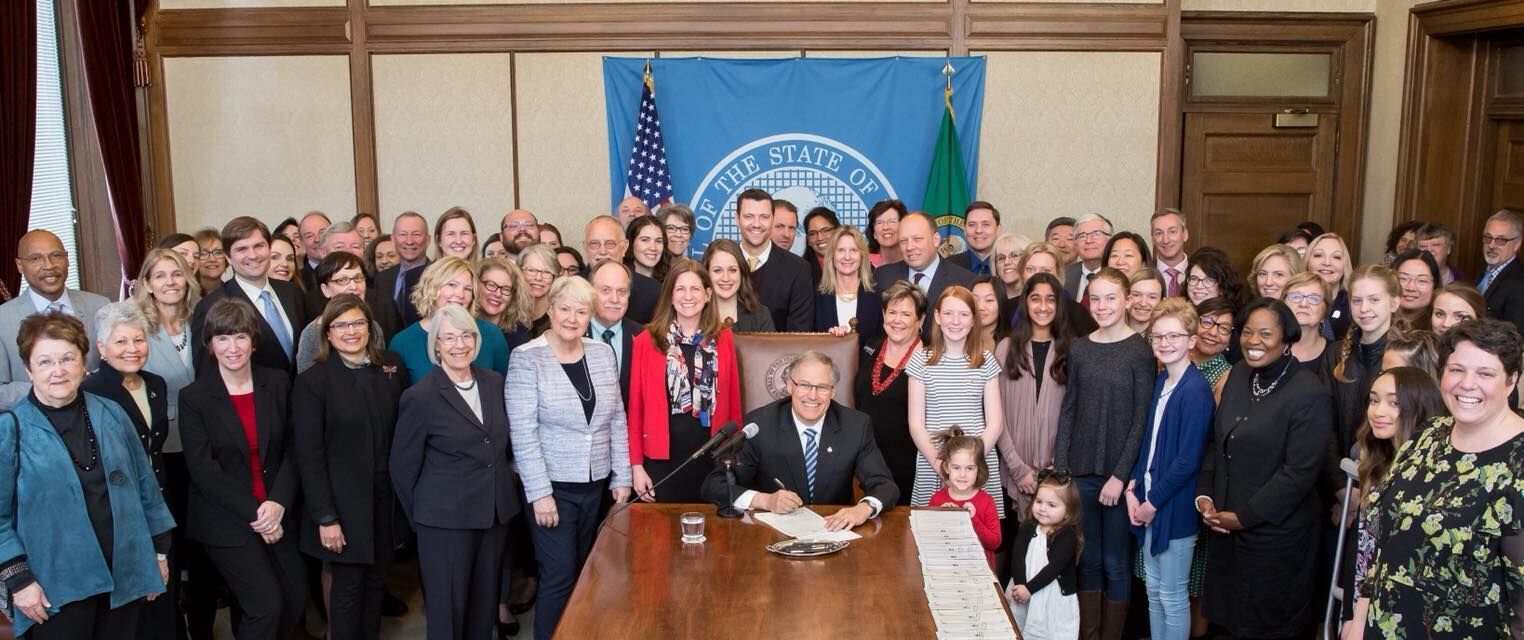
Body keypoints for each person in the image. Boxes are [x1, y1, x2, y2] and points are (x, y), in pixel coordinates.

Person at [0, 312, 174, 639]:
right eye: (45, 362)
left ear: (84, 363)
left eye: (68, 358)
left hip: (125, 574)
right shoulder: (10, 428)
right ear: (28, 369)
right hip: (54, 587)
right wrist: (19, 581)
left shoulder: (111, 412)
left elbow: (146, 488)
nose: (58, 371)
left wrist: (158, 553)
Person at [1351, 319, 1524, 638]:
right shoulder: (1426, 435)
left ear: (1511, 380)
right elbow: (1388, 540)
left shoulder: (1518, 464)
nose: (1467, 384)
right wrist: (1360, 616)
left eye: (1485, 373)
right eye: (1457, 369)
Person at [1196, 297, 1333, 639]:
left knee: (1265, 625)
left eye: (1266, 333)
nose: (1253, 340)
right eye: (1247, 332)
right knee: (1227, 622)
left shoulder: (1309, 392)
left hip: (1276, 537)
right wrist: (1205, 497)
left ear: (1287, 338)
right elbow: (1217, 440)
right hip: (1226, 528)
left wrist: (1244, 517)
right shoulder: (1240, 373)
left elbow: (1299, 474)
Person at [507, 276, 633, 640]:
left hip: (596, 485)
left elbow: (617, 418)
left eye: (581, 311)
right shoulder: (526, 358)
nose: (572, 318)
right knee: (559, 577)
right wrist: (540, 493)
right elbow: (523, 431)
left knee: (586, 572)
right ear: (550, 309)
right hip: (553, 490)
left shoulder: (601, 352)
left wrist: (621, 475)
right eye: (564, 309)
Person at [391, 305, 521, 640]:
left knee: (483, 607)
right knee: (448, 612)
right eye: (448, 337)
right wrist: (424, 517)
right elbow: (402, 469)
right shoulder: (419, 397)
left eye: (466, 335)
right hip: (444, 523)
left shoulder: (494, 382)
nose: (459, 344)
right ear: (436, 346)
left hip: (493, 515)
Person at [179, 299, 306, 640]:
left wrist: (278, 503)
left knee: (295, 599)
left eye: (239, 337)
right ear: (210, 345)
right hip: (227, 518)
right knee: (266, 605)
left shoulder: (277, 382)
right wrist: (258, 514)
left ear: (253, 341)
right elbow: (204, 472)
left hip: (278, 508)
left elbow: (295, 449)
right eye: (222, 338)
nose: (232, 347)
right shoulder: (194, 397)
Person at [291, 294, 406, 640]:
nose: (351, 331)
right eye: (341, 325)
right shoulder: (313, 381)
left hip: (386, 501)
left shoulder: (391, 367)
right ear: (327, 332)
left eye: (358, 323)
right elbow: (309, 457)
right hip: (342, 507)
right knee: (348, 589)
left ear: (370, 328)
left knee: (376, 584)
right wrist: (326, 517)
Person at [1053, 266, 1155, 638]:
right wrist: (1063, 468)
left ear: (1127, 300)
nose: (1102, 305)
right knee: (1089, 559)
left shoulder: (1140, 351)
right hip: (1080, 471)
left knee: (1115, 561)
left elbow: (1141, 420)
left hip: (1118, 477)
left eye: (1110, 297)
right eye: (1095, 298)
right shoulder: (1080, 348)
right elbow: (1070, 409)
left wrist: (1119, 475)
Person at [701, 351, 898, 530]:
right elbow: (715, 485)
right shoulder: (761, 424)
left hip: (833, 533)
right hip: (772, 535)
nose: (812, 396)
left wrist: (862, 509)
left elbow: (885, 485)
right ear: (789, 386)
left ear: (833, 391)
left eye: (822, 387)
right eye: (804, 385)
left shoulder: (855, 425)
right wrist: (766, 501)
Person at [1126, 298, 1214, 640]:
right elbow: (1148, 444)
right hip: (1150, 500)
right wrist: (1134, 488)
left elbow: (1187, 459)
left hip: (1173, 507)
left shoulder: (1195, 390)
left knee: (1173, 596)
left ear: (1192, 340)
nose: (1165, 343)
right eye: (1158, 337)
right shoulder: (1162, 383)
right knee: (1153, 591)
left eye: (1174, 336)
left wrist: (1153, 502)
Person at [1337, 367, 1444, 640]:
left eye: (1394, 403)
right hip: (1361, 602)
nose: (1378, 411)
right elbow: (1363, 550)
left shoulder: (1429, 476)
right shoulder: (1378, 461)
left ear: (1419, 408)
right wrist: (1352, 616)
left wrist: (1359, 618)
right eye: (1374, 400)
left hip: (1397, 612)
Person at [627, 262, 742, 503]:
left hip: (712, 456)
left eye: (695, 289)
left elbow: (733, 402)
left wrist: (734, 459)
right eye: (680, 289)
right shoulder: (647, 341)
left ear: (708, 295)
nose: (688, 296)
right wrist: (637, 467)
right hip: (662, 460)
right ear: (670, 295)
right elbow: (636, 409)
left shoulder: (724, 339)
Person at [907, 286, 1004, 512]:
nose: (955, 321)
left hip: (976, 464)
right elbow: (915, 424)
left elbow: (995, 423)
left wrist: (969, 464)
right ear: (938, 317)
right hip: (933, 462)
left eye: (963, 314)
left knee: (980, 537)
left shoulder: (985, 360)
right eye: (948, 314)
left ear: (973, 320)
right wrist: (943, 467)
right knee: (932, 536)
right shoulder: (921, 360)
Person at [0, 230, 111, 407]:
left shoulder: (100, 306)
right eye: (36, 258)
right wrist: (51, 390)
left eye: (56, 255)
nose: (49, 265)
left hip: (97, 416)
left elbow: (114, 366)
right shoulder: (2, 319)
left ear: (66, 259)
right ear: (20, 265)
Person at [996, 273, 1074, 522]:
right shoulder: (1006, 348)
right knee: (1015, 550)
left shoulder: (1074, 350)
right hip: (1014, 466)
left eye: (1050, 299)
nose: (1043, 306)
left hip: (1058, 471)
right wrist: (1018, 469)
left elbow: (1076, 415)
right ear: (1025, 303)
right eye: (1035, 299)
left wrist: (1057, 467)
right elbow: (997, 416)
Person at [190, 217, 308, 378]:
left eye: (259, 246)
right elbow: (207, 374)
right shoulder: (210, 306)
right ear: (228, 257)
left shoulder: (291, 292)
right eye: (241, 249)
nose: (252, 255)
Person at [852, 282, 925, 506]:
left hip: (908, 470)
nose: (897, 320)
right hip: (866, 466)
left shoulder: (929, 359)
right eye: (892, 312)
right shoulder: (870, 347)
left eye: (906, 314)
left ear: (920, 320)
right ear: (883, 314)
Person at [1331, 266, 1402, 485]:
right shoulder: (1334, 353)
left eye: (1374, 300)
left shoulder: (1405, 355)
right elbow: (1323, 427)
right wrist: (1340, 488)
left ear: (1394, 303)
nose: (1364, 308)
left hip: (1383, 480)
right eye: (1357, 300)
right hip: (1336, 479)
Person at [389, 256, 510, 385]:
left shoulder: (491, 334)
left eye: (467, 289)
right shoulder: (402, 343)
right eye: (452, 285)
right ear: (432, 287)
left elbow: (503, 390)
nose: (460, 295)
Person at [295, 251, 403, 373]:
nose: (353, 286)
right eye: (342, 280)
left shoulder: (374, 326)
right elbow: (307, 381)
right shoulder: (312, 333)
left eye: (358, 278)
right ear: (325, 290)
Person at [1007, 470, 1081, 640]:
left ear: (1068, 511)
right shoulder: (1027, 527)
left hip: (1051, 598)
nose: (1042, 508)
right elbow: (1017, 557)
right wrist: (1020, 587)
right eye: (1039, 501)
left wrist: (1030, 589)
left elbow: (1054, 568)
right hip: (1023, 591)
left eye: (1051, 505)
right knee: (1018, 628)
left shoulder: (1066, 535)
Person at [875, 211, 975, 336]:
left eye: (917, 239)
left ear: (936, 240)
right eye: (903, 241)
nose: (909, 247)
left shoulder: (965, 281)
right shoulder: (883, 276)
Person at [735, 189, 814, 331]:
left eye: (764, 217)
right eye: (748, 216)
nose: (756, 224)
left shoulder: (799, 269)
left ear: (772, 220)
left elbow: (799, 335)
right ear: (737, 219)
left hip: (781, 353)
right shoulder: (719, 263)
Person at [929, 427, 1001, 568]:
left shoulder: (986, 502)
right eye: (956, 468)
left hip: (980, 575)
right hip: (945, 571)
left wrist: (972, 520)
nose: (962, 475)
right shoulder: (937, 499)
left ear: (978, 469)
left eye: (969, 468)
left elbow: (994, 543)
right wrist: (940, 519)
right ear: (946, 468)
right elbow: (930, 541)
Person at [587, 260, 643, 403]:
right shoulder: (573, 334)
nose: (614, 299)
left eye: (621, 291)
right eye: (606, 290)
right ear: (590, 292)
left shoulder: (643, 337)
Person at [815, 227, 882, 344]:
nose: (847, 257)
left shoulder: (877, 296)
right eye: (841, 250)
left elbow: (881, 341)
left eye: (853, 250)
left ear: (862, 256)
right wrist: (828, 339)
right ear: (832, 255)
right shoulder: (816, 297)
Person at [585, 215, 656, 324]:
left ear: (624, 247)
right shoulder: (569, 288)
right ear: (585, 247)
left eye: (610, 244)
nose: (602, 251)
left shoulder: (651, 292)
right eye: (594, 244)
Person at [702, 239, 775, 333]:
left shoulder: (761, 316)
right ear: (706, 273)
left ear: (742, 273)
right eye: (717, 270)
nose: (726, 278)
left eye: (732, 270)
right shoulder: (695, 314)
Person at [374, 211, 432, 327]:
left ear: (428, 240)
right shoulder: (382, 278)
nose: (409, 241)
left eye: (416, 234)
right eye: (403, 234)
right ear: (393, 239)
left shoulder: (437, 276)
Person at [1281, 271, 1335, 381]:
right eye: (1296, 297)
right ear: (1283, 304)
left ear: (1326, 310)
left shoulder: (1335, 354)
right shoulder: (1270, 346)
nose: (1303, 304)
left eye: (1314, 298)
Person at [476, 257, 536, 351]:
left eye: (506, 289)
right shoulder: (463, 327)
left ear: (513, 296)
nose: (498, 294)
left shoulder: (519, 337)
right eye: (491, 285)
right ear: (476, 285)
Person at [1479, 209, 1524, 334]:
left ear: (1516, 244)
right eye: (1488, 238)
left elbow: (1516, 336)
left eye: (1501, 240)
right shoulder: (1484, 270)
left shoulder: (1520, 285)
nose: (1492, 245)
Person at [1307, 233, 1354, 340]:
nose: (1327, 262)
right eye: (1319, 255)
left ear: (1345, 265)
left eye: (1336, 257)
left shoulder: (1354, 304)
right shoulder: (1292, 301)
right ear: (1307, 261)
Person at [1190, 297, 1236, 401]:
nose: (1213, 333)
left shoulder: (1227, 377)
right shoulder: (1174, 354)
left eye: (1224, 328)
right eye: (1207, 322)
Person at [1062, 213, 1112, 300]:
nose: (1088, 240)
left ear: (1110, 239)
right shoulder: (1064, 275)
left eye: (1096, 234)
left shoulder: (1120, 274)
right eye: (1082, 236)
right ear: (1075, 243)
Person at [947, 201, 1001, 276]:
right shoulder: (948, 266)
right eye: (972, 225)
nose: (978, 230)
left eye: (986, 224)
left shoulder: (1008, 266)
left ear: (998, 229)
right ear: (965, 230)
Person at [1392, 248, 1441, 329]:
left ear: (1434, 286)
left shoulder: (1440, 327)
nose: (1411, 288)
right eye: (1403, 278)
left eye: (1422, 280)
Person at [519, 244, 560, 335]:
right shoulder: (508, 314)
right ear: (519, 272)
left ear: (554, 277)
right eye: (531, 270)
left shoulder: (560, 318)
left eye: (546, 272)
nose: (538, 278)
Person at [1150, 209, 1190, 297]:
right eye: (1159, 233)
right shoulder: (1145, 272)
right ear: (1153, 240)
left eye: (1172, 232)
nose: (1166, 240)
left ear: (1185, 235)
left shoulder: (1200, 273)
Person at [623, 216, 671, 284]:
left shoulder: (672, 281)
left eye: (658, 241)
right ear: (631, 243)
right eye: (645, 240)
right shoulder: (620, 279)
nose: (653, 248)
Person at [801, 207, 840, 286]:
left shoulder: (853, 264)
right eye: (812, 233)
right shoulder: (800, 271)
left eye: (826, 230)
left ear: (838, 232)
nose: (820, 238)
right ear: (808, 240)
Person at [297, 211, 331, 291]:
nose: (317, 239)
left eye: (322, 233)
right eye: (309, 236)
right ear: (302, 243)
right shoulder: (297, 282)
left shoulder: (350, 272)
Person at [867, 199, 906, 267]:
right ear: (874, 233)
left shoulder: (914, 261)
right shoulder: (865, 263)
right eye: (880, 222)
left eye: (892, 221)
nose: (886, 227)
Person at [1126, 268, 1165, 335]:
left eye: (1152, 297)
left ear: (1162, 301)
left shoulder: (1165, 339)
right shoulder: (1110, 332)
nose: (1143, 303)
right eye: (1136, 295)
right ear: (1126, 297)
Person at [971, 276, 1007, 348]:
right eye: (975, 300)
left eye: (989, 300)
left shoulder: (1012, 345)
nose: (980, 307)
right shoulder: (958, 341)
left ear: (1001, 303)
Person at [992, 233, 1030, 298]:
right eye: (1001, 258)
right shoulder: (990, 302)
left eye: (1015, 255)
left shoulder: (1035, 300)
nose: (1007, 262)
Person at [194, 228, 227, 295]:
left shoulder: (234, 294)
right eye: (203, 253)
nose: (212, 259)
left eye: (218, 252)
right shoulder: (184, 296)